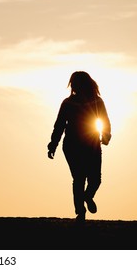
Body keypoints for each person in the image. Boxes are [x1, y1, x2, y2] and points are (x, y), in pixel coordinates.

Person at [47, 71, 111, 225]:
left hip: (92, 144)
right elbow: (60, 125)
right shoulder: (67, 103)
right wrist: (53, 144)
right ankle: (80, 212)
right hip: (72, 146)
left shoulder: (97, 102)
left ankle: (88, 197)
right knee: (79, 178)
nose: (74, 86)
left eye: (76, 83)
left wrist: (106, 135)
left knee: (95, 180)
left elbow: (105, 120)